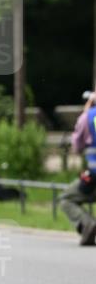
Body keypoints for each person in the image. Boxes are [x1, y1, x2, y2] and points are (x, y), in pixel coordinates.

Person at [59, 89, 96, 246]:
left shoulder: (87, 117)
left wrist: (87, 110)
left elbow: (77, 146)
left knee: (66, 198)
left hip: (94, 174)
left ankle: (87, 224)